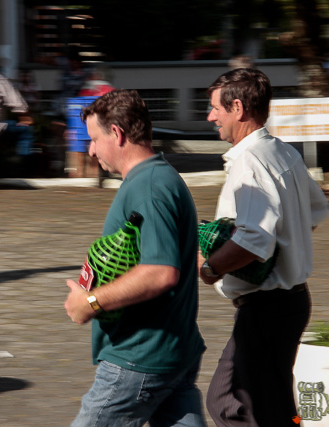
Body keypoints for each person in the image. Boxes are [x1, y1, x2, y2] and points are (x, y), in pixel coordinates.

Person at [64, 90, 206, 427]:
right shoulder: (157, 178)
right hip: (170, 351)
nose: (91, 149)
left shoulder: (149, 187)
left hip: (139, 358)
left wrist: (91, 302)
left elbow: (160, 272)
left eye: (94, 139)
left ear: (117, 133)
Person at [199, 68, 329, 427]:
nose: (210, 116)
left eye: (215, 109)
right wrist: (286, 244)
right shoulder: (283, 152)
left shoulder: (250, 161)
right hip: (286, 302)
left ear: (237, 107)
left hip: (267, 307)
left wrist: (210, 269)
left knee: (237, 403)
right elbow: (316, 210)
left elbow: (254, 240)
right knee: (245, 402)